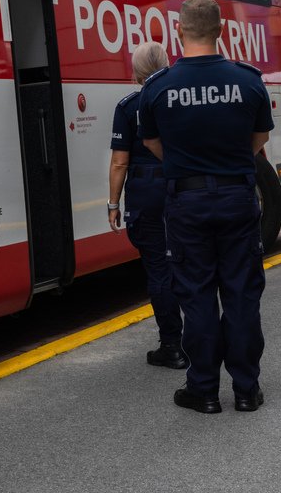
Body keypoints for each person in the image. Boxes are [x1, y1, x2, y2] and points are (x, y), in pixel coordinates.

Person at [138, 0, 274, 414]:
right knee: (241, 293)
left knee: (196, 294)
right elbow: (259, 140)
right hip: (237, 198)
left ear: (179, 31)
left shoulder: (158, 87)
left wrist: (186, 167)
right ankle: (247, 389)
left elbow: (152, 143)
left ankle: (204, 390)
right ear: (222, 31)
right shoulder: (249, 80)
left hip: (187, 201)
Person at [108, 42, 185, 369]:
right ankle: (201, 338)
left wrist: (113, 202)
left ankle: (172, 345)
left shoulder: (128, 106)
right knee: (189, 264)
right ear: (167, 65)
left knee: (158, 269)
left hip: (145, 192)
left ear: (135, 72)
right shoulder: (180, 99)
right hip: (181, 188)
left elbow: (119, 163)